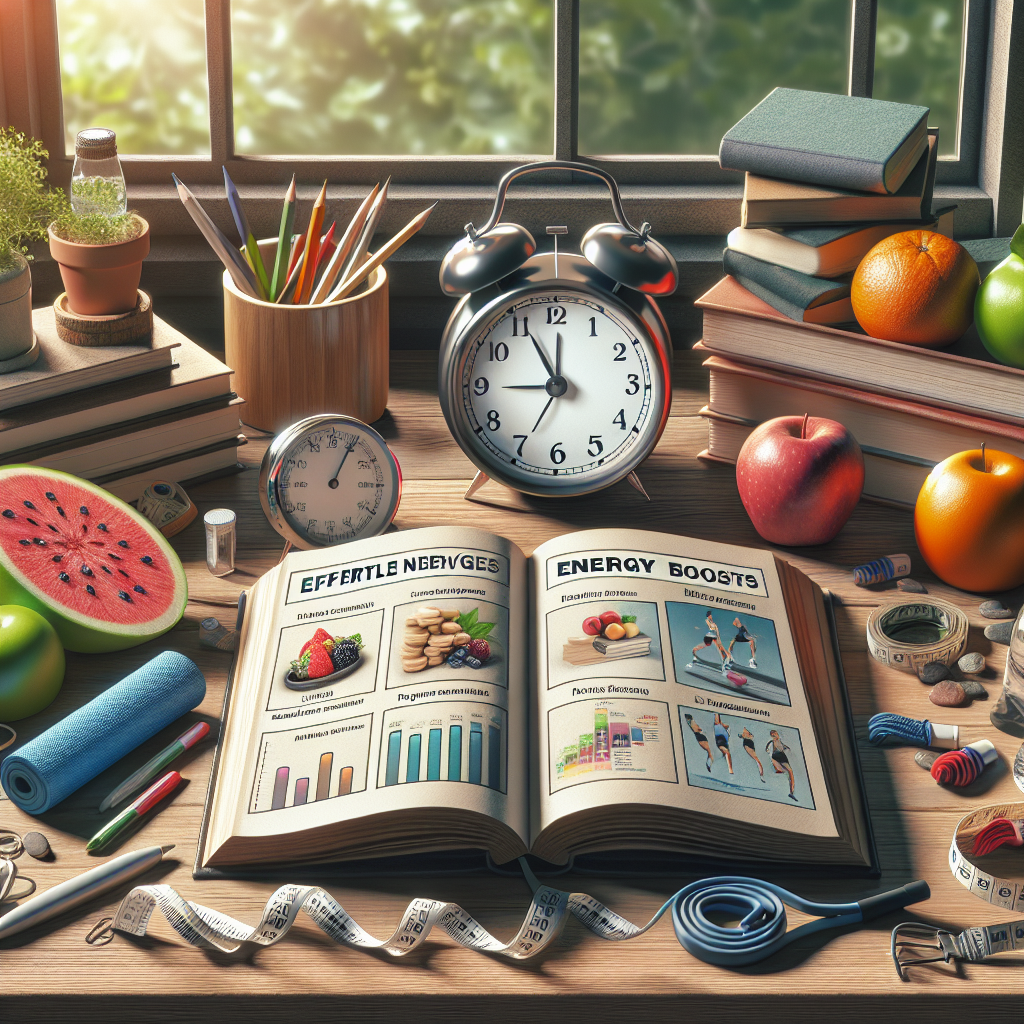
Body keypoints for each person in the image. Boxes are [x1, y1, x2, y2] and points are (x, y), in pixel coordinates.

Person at [766, 729, 797, 800]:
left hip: (782, 757)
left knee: (790, 772)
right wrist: (768, 750)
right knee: (783, 770)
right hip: (776, 756)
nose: (775, 736)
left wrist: (787, 748)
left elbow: (783, 746)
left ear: (777, 734)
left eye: (775, 734)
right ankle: (779, 770)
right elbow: (768, 749)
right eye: (773, 735)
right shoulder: (772, 742)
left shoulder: (780, 741)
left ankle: (791, 792)